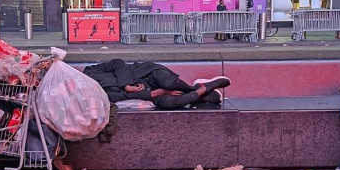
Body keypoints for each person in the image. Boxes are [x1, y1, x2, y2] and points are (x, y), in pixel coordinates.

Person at [84, 59, 231, 110]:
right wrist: (160, 93)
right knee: (169, 102)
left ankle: (197, 89)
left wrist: (127, 85)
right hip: (149, 93)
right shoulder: (98, 96)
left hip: (147, 73)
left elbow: (118, 63)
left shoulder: (90, 72)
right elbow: (122, 97)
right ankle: (201, 92)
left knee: (169, 82)